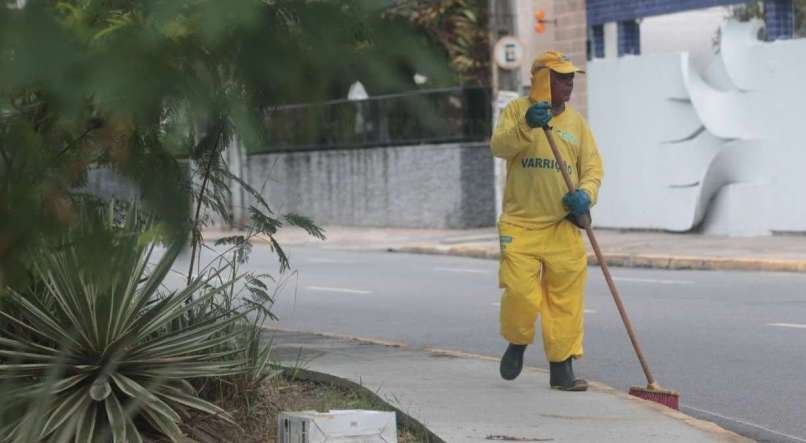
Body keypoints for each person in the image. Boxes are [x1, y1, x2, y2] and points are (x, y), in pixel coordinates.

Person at [490, 51, 604, 391]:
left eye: (571, 78)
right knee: (522, 296)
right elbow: (500, 147)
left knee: (565, 302)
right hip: (520, 226)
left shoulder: (577, 124)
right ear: (542, 79)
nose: (569, 83)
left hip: (563, 226)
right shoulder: (515, 112)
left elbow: (593, 169)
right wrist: (527, 123)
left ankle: (562, 369)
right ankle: (517, 341)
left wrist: (585, 195)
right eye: (561, 77)